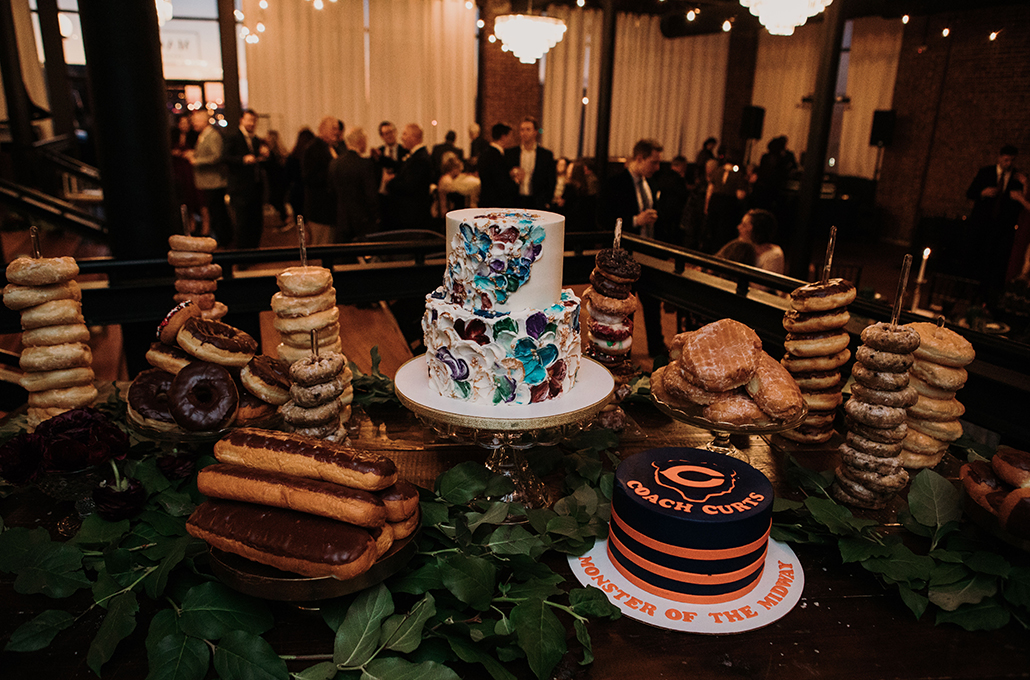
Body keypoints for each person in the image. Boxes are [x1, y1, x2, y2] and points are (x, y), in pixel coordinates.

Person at [600, 138, 665, 356]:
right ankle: (623, 350)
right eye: (654, 162)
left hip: (649, 253)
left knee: (653, 302)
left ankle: (657, 347)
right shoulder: (615, 183)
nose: (657, 168)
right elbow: (605, 219)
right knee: (627, 306)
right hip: (627, 255)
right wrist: (636, 220)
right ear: (640, 158)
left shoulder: (651, 183)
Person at [966, 144, 1024, 304]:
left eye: (1011, 160)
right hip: (982, 223)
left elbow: (1021, 204)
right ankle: (971, 289)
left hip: (1002, 227)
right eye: (1006, 160)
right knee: (977, 255)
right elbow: (970, 192)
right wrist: (982, 193)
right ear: (1000, 158)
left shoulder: (1016, 178)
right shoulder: (986, 172)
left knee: (994, 260)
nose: (1008, 163)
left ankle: (987, 294)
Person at [223, 109, 267, 249]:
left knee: (256, 222)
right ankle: (243, 255)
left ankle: (254, 251)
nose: (252, 123)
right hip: (240, 188)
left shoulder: (255, 140)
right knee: (242, 223)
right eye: (249, 120)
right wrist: (242, 160)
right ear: (241, 120)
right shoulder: (233, 137)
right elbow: (225, 157)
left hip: (254, 187)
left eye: (254, 121)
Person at [328, 126, 379, 243]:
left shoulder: (334, 164)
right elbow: (371, 195)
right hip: (362, 219)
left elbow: (331, 190)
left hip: (341, 218)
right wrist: (376, 217)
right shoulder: (365, 164)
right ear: (361, 141)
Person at [189, 109, 232, 246]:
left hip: (214, 182)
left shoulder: (212, 135)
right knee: (215, 212)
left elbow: (216, 156)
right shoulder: (203, 135)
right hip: (207, 182)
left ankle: (224, 240)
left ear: (204, 121)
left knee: (219, 213)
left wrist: (196, 160)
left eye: (195, 121)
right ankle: (221, 238)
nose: (193, 123)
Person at [384, 123, 434, 231]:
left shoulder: (420, 159)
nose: (402, 138)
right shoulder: (416, 156)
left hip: (413, 215)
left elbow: (409, 186)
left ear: (414, 137)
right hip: (410, 214)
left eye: (405, 134)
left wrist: (389, 182)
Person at [302, 116, 341, 245]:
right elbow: (308, 177)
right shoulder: (313, 149)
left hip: (332, 211)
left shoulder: (335, 148)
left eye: (337, 128)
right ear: (322, 129)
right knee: (321, 247)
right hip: (320, 211)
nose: (337, 132)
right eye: (333, 128)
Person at [505, 116, 556, 210]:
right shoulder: (511, 153)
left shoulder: (545, 155)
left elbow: (551, 179)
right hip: (516, 200)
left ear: (535, 132)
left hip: (537, 201)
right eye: (522, 130)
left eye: (528, 130)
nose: (524, 133)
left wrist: (547, 200)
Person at [715, 208, 784, 274]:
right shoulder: (737, 247)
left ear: (757, 231)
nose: (739, 227)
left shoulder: (773, 256)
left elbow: (762, 286)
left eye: (744, 225)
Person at [170, 114, 200, 227]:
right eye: (182, 123)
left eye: (186, 123)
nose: (184, 125)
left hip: (189, 169)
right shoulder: (172, 135)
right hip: (177, 168)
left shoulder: (194, 136)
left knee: (192, 194)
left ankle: (194, 221)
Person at [478, 122, 516, 208]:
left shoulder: (484, 153)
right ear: (503, 137)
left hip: (485, 201)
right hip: (496, 204)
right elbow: (501, 185)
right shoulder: (497, 157)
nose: (511, 139)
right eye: (509, 136)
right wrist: (516, 181)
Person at [284, 127, 315, 226]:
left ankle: (302, 240)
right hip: (309, 193)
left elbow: (286, 177)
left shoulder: (293, 156)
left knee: (300, 224)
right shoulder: (311, 157)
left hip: (296, 193)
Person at [262, 129, 289, 223]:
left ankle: (285, 219)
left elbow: (268, 166)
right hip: (281, 180)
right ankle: (284, 219)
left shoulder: (271, 153)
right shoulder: (281, 152)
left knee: (275, 200)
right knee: (279, 200)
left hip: (274, 181)